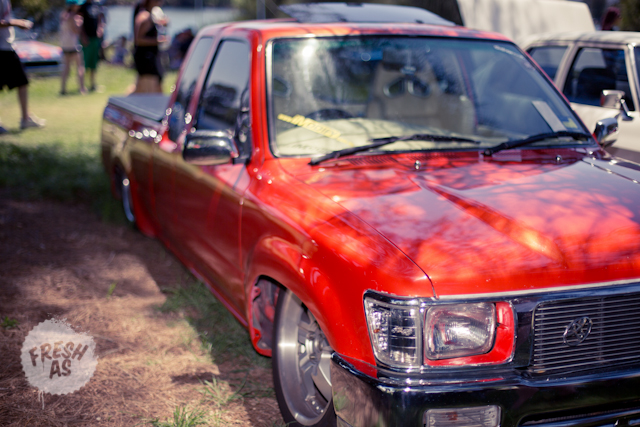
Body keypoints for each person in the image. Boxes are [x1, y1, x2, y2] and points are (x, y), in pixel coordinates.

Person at [0, 0, 45, 132]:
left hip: (7, 47)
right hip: (1, 48)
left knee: (22, 81)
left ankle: (25, 118)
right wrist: (17, 23)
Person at [132, 0, 166, 93]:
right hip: (146, 59)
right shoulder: (145, 17)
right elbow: (138, 40)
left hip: (150, 57)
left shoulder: (150, 16)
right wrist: (157, 41)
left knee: (141, 88)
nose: (160, 2)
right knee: (150, 90)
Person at [59, 0, 86, 95]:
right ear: (72, 6)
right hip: (73, 45)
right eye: (77, 5)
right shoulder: (72, 16)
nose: (78, 7)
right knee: (80, 66)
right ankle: (82, 88)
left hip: (65, 45)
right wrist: (80, 23)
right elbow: (75, 30)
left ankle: (63, 89)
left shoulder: (63, 15)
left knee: (66, 68)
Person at [79, 0, 104, 92]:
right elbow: (80, 21)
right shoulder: (82, 6)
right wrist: (83, 36)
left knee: (94, 62)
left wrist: (100, 28)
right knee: (84, 62)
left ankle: (93, 84)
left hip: (95, 38)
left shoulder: (96, 4)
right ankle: (83, 85)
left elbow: (100, 18)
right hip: (86, 38)